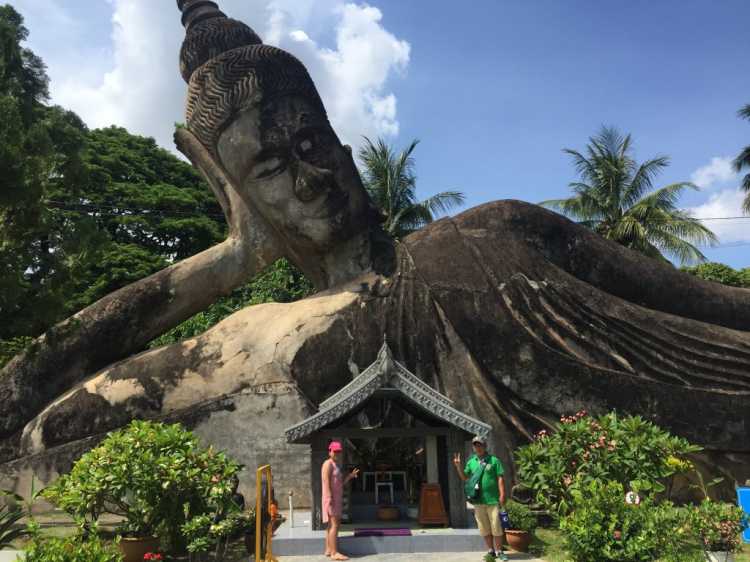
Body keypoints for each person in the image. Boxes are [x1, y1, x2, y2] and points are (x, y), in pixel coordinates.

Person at [1, 0, 750, 497]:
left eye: (311, 141)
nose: (310, 177)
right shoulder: (253, 336)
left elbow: (715, 307)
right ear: (239, 194)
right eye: (271, 170)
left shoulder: (495, 233)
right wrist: (231, 260)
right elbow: (27, 418)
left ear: (345, 146)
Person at [455, 435, 508, 562]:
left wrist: (502, 494)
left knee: (496, 525)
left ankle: (500, 551)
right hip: (478, 501)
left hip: (493, 500)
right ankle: (491, 551)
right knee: (484, 527)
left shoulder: (494, 460)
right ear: (473, 447)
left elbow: (500, 477)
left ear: (485, 446)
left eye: (480, 445)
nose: (478, 448)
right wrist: (458, 466)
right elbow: (464, 477)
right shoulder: (471, 462)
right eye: (475, 445)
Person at [321, 441, 359, 560]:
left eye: (339, 451)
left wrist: (350, 476)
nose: (337, 453)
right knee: (335, 525)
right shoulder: (328, 464)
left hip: (335, 499)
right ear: (330, 452)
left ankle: (328, 550)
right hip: (331, 499)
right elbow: (325, 480)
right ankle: (334, 553)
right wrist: (330, 496)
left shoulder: (335, 466)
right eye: (335, 451)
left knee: (331, 525)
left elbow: (340, 483)